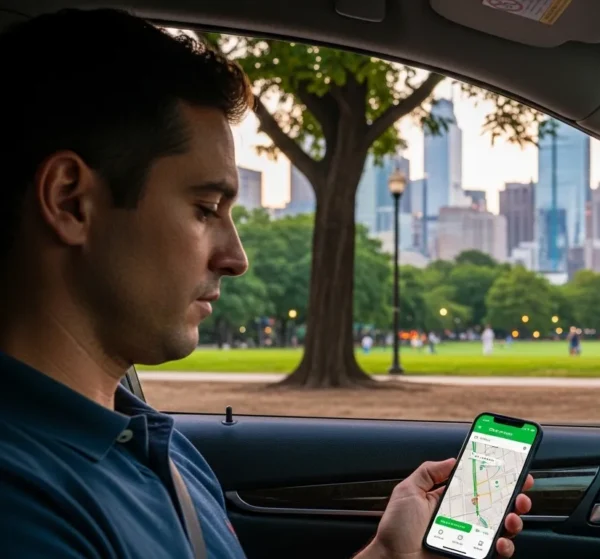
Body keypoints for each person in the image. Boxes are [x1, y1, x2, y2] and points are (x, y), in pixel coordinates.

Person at [0, 9, 531, 558]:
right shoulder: (22, 509)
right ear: (71, 201)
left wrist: (389, 555)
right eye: (206, 208)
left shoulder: (155, 444)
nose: (236, 259)